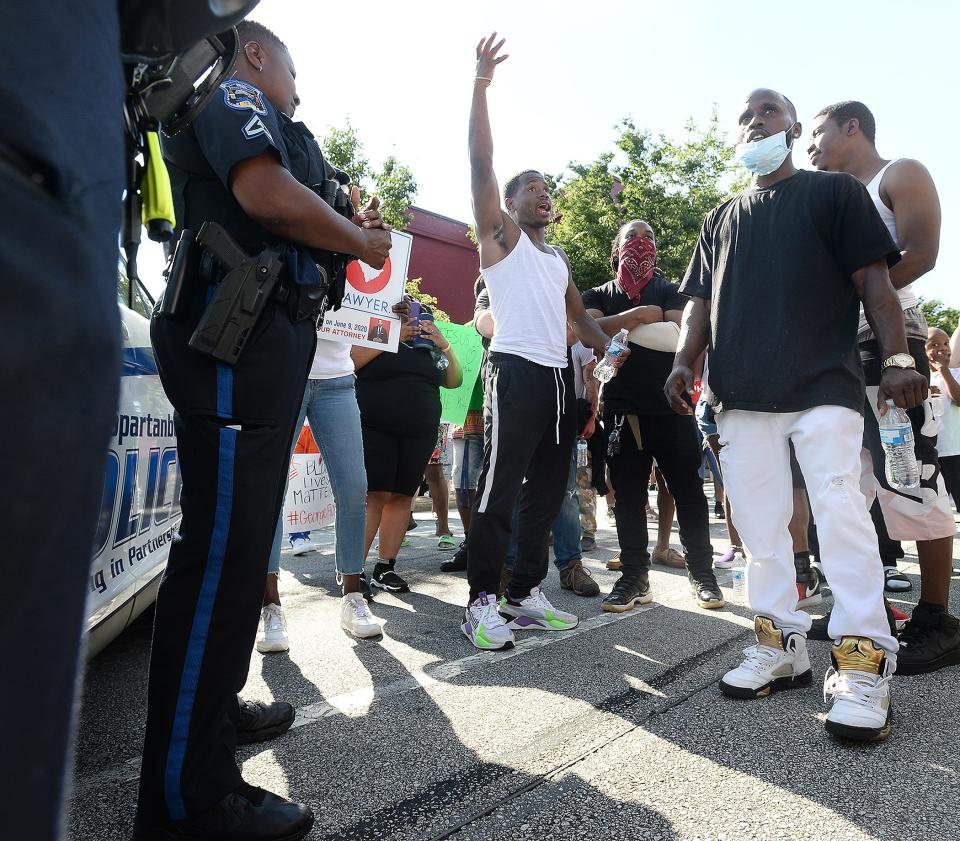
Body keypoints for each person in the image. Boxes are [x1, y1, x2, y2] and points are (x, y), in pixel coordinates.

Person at [136, 22, 392, 839]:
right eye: (291, 64)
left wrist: (350, 221)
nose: (297, 83)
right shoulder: (233, 93)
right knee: (220, 553)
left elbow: (303, 200)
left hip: (265, 339)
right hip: (232, 334)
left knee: (242, 550)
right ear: (254, 52)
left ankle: (209, 720)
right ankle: (188, 798)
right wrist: (359, 238)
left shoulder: (279, 121)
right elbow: (265, 196)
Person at [666, 88, 926, 741]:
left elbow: (876, 283)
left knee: (840, 511)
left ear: (789, 126)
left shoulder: (834, 194)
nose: (756, 121)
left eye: (769, 112)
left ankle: (865, 665)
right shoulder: (720, 218)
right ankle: (781, 646)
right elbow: (698, 304)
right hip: (738, 389)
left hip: (822, 382)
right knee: (760, 526)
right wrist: (682, 362)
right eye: (746, 116)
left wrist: (897, 354)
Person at [463, 33, 620, 650]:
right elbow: (480, 163)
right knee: (501, 489)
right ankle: (480, 601)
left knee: (549, 492)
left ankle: (524, 593)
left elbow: (583, 323)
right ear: (508, 201)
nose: (544, 191)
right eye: (532, 185)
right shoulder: (500, 239)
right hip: (515, 371)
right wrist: (480, 87)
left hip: (558, 382)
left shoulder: (556, 260)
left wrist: (613, 347)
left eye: (548, 185)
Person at [809, 99, 960, 675]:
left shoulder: (899, 173)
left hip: (894, 346)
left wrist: (852, 297)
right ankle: (865, 607)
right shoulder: (829, 198)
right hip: (837, 353)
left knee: (913, 478)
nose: (811, 146)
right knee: (849, 484)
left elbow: (922, 252)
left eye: (819, 133)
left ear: (853, 128)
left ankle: (937, 617)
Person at [584, 220, 724, 613]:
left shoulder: (674, 291)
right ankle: (634, 577)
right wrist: (643, 315)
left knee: (689, 493)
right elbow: (586, 328)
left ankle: (703, 574)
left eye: (649, 237)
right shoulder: (598, 293)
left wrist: (626, 325)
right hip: (620, 411)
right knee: (627, 497)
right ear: (616, 246)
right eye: (632, 236)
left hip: (673, 405)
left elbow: (683, 332)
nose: (641, 243)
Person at [257, 334, 380, 651]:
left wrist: (389, 312)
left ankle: (353, 596)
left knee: (354, 487)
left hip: (337, 379)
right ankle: (270, 606)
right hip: (283, 373)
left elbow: (372, 303)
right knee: (269, 489)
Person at [354, 304, 463, 593]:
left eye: (420, 313)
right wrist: (392, 335)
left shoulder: (429, 347)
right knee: (375, 494)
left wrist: (445, 344)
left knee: (402, 496)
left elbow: (455, 380)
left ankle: (385, 567)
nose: (415, 318)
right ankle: (354, 571)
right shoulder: (377, 331)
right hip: (375, 426)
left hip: (418, 431)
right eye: (409, 310)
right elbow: (351, 361)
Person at [927, 327, 960, 507]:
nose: (943, 348)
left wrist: (944, 370)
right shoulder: (923, 378)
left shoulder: (956, 373)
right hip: (934, 453)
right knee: (937, 507)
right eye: (934, 344)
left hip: (957, 451)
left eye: (946, 343)